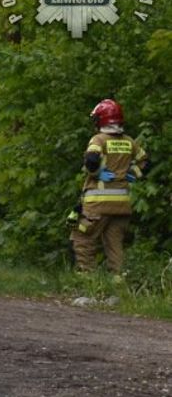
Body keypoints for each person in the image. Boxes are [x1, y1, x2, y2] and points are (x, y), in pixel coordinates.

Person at [70, 99, 148, 275]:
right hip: (121, 205)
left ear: (101, 120)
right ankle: (117, 282)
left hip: (98, 202)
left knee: (83, 239)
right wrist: (133, 173)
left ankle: (88, 280)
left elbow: (91, 160)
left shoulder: (98, 139)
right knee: (115, 244)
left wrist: (97, 173)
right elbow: (145, 161)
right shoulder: (130, 142)